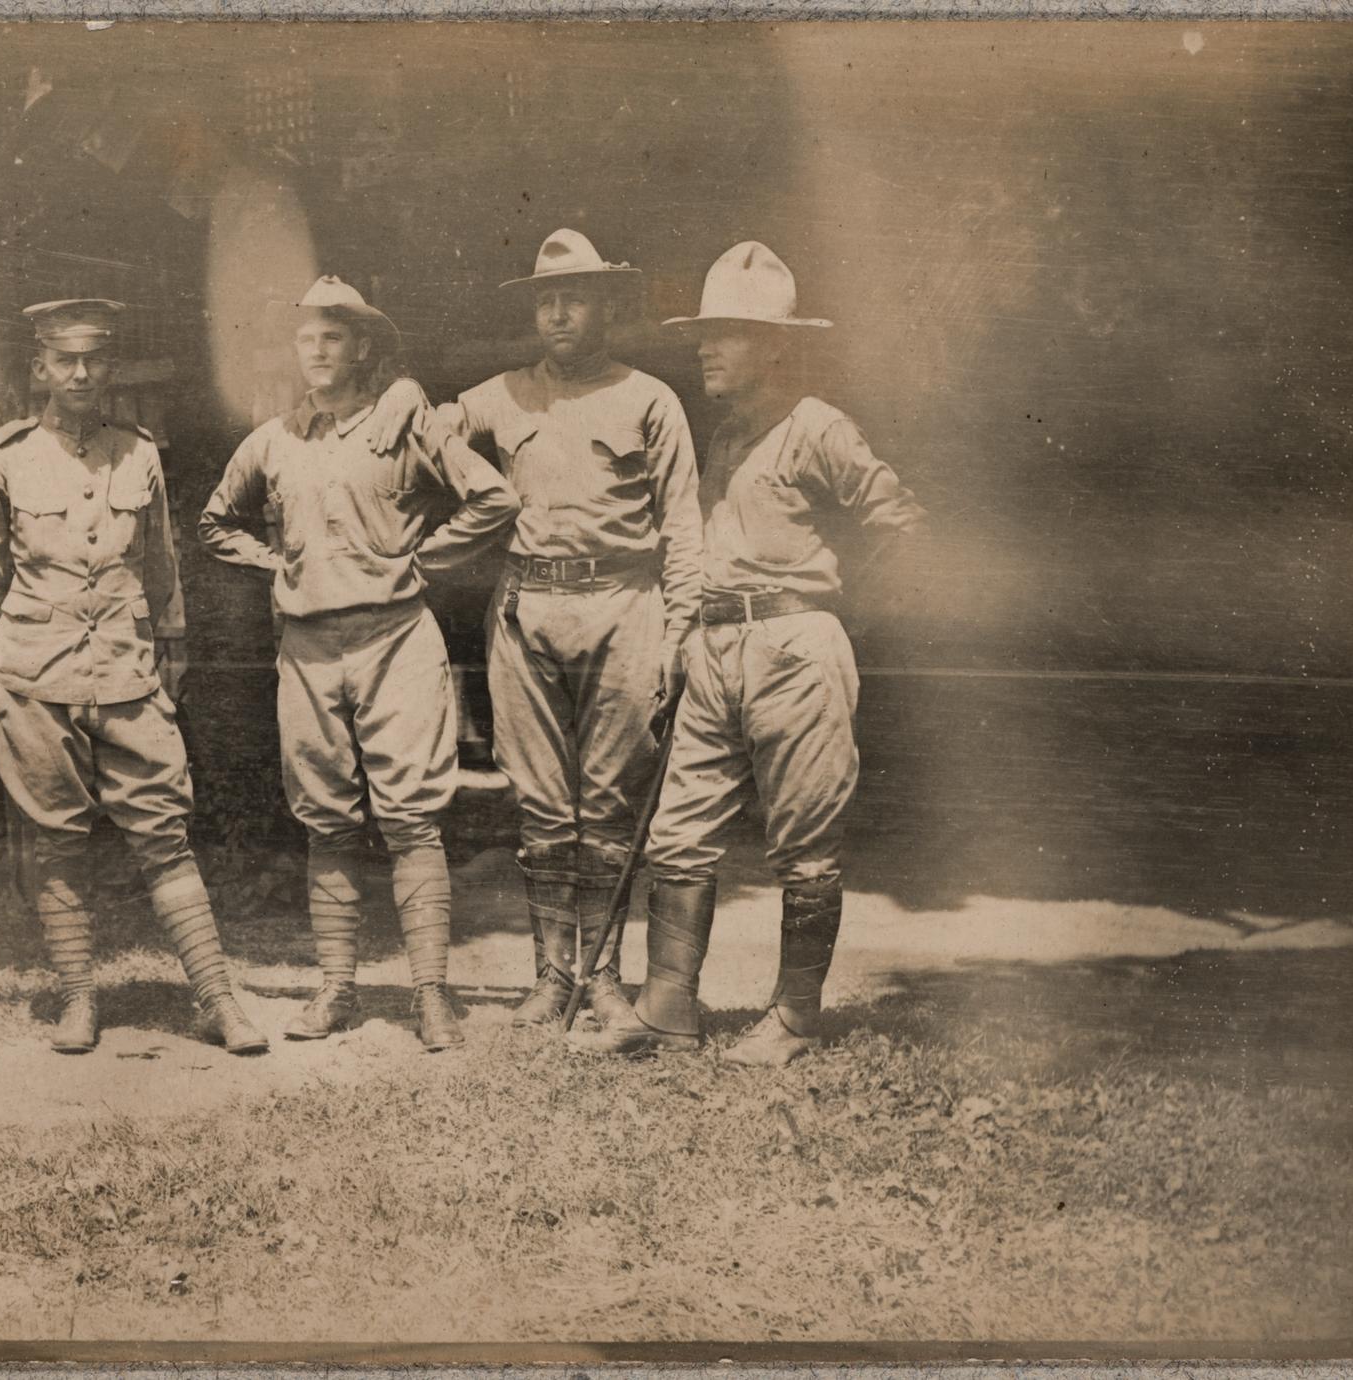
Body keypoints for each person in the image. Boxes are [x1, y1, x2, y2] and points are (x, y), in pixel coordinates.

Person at [572, 241, 927, 1065]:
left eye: (725, 334)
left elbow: (899, 523)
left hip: (792, 646)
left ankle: (793, 1020)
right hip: (713, 646)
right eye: (703, 334)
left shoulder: (818, 426)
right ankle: (667, 1007)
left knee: (804, 839)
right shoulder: (726, 434)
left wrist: (839, 621)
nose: (705, 349)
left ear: (773, 346)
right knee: (678, 830)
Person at [369, 229, 701, 1031]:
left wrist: (681, 627)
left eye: (573, 299)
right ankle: (552, 977)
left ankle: (603, 979)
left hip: (623, 607)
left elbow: (683, 522)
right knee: (543, 806)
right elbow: (431, 429)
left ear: (606, 308)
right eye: (545, 301)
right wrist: (404, 391)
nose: (556, 314)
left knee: (610, 805)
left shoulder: (649, 399)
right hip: (526, 610)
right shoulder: (502, 394)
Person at [199, 277, 521, 1052]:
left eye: (333, 337)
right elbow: (215, 522)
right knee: (326, 821)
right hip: (308, 649)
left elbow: (492, 499)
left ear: (363, 347)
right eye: (305, 336)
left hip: (394, 639)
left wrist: (420, 560)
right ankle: (336, 988)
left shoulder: (403, 423)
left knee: (411, 820)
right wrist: (275, 564)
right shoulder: (273, 439)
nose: (316, 350)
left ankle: (430, 995)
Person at [0, 299, 267, 1056]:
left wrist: (150, 645)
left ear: (111, 367)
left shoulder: (138, 453)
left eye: (93, 359)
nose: (80, 373)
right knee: (57, 838)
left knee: (165, 834)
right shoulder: (7, 457)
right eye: (65, 360)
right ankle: (77, 1000)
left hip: (127, 675)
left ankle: (217, 1000)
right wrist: (19, 650)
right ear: (40, 368)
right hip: (34, 679)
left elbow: (159, 570)